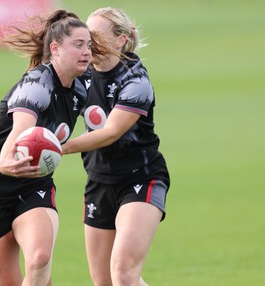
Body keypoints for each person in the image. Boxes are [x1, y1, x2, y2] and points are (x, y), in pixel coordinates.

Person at [0, 10, 111, 286]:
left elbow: (112, 81)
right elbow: (20, 131)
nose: (86, 52)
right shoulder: (36, 85)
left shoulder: (82, 83)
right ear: (55, 49)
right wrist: (6, 161)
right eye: (78, 45)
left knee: (39, 258)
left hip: (33, 184)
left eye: (88, 45)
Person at [62, 7, 171, 286]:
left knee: (123, 273)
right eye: (86, 36)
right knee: (105, 282)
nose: (88, 43)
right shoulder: (80, 76)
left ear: (121, 39)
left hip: (141, 179)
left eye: (96, 35)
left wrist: (58, 147)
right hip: (99, 182)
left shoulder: (136, 80)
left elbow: (111, 133)